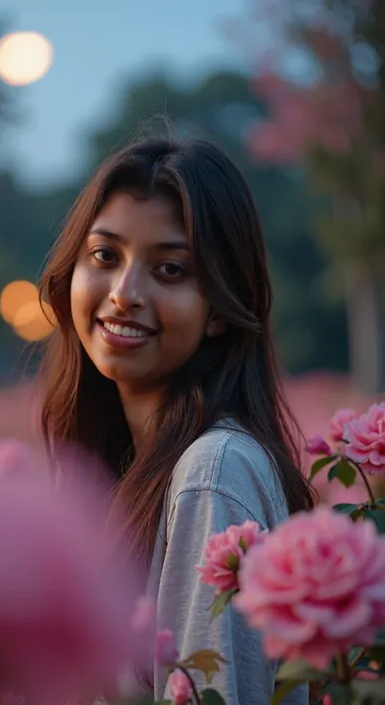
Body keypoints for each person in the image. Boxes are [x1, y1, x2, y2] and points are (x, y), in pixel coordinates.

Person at [38, 136, 315, 705]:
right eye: (105, 256)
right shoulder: (116, 467)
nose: (123, 294)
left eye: (169, 269)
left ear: (218, 310)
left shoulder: (212, 473)